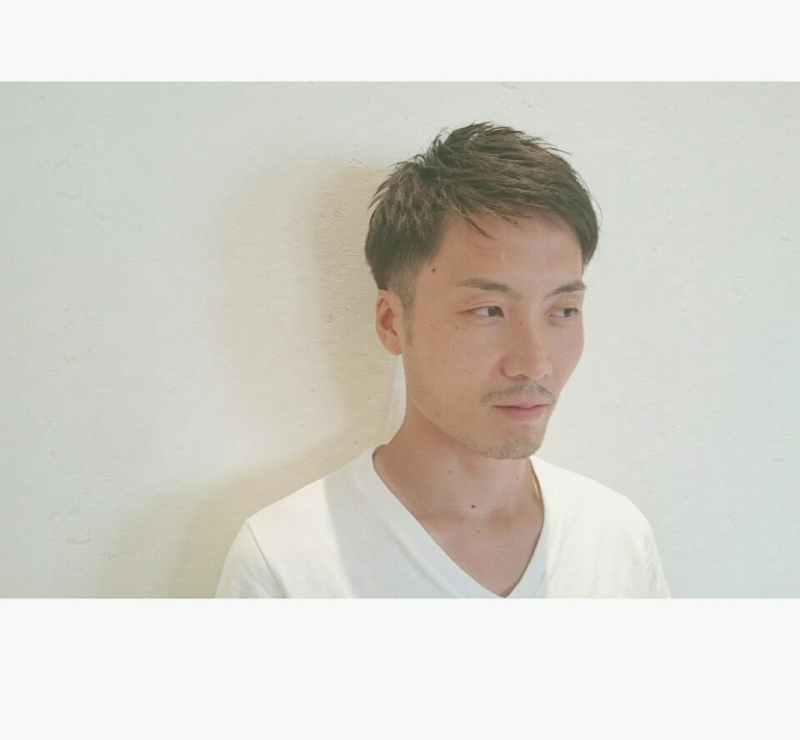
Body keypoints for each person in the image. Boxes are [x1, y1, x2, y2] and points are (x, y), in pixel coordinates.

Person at [216, 122, 670, 598]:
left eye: (563, 311)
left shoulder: (616, 538)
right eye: (488, 310)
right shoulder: (287, 562)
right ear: (392, 322)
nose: (535, 364)